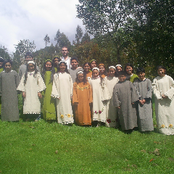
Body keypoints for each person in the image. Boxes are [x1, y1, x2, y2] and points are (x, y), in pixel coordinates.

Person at [152, 66, 174, 135]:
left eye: (161, 70)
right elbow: (154, 89)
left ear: (164, 70)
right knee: (161, 114)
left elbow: (173, 87)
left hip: (168, 100)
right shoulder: (156, 79)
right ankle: (163, 129)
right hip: (160, 100)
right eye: (158, 71)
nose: (160, 72)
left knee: (170, 113)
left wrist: (167, 94)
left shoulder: (169, 78)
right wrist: (160, 96)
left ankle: (171, 129)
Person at [133, 67, 154, 132]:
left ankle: (149, 128)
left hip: (147, 101)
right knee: (141, 115)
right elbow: (135, 91)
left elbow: (150, 90)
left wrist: (146, 99)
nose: (140, 75)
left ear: (144, 73)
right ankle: (142, 128)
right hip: (140, 101)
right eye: (139, 74)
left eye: (141, 73)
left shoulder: (148, 81)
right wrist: (139, 99)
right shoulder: (136, 82)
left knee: (148, 115)